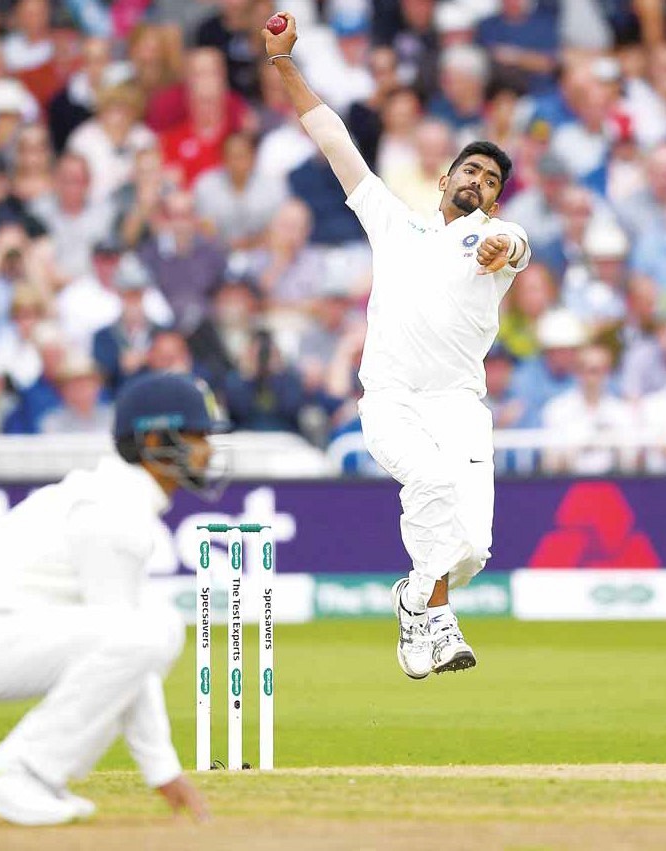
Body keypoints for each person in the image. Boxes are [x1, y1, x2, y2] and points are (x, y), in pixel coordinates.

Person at [264, 13, 531, 679]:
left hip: (459, 405)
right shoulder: (395, 224)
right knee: (432, 485)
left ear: (495, 202)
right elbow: (334, 139)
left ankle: (414, 601)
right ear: (444, 179)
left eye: (490, 181)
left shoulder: (495, 239)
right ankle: (435, 621)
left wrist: (501, 246)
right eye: (471, 170)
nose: (478, 182)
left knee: (471, 549)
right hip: (391, 400)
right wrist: (283, 63)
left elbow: (515, 246)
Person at [0, 371, 217, 825]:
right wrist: (162, 767)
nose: (207, 450)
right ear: (155, 440)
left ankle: (35, 777)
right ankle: (16, 771)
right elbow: (129, 646)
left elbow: (125, 657)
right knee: (153, 632)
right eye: (198, 436)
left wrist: (162, 767)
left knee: (151, 630)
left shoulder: (115, 498)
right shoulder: (111, 511)